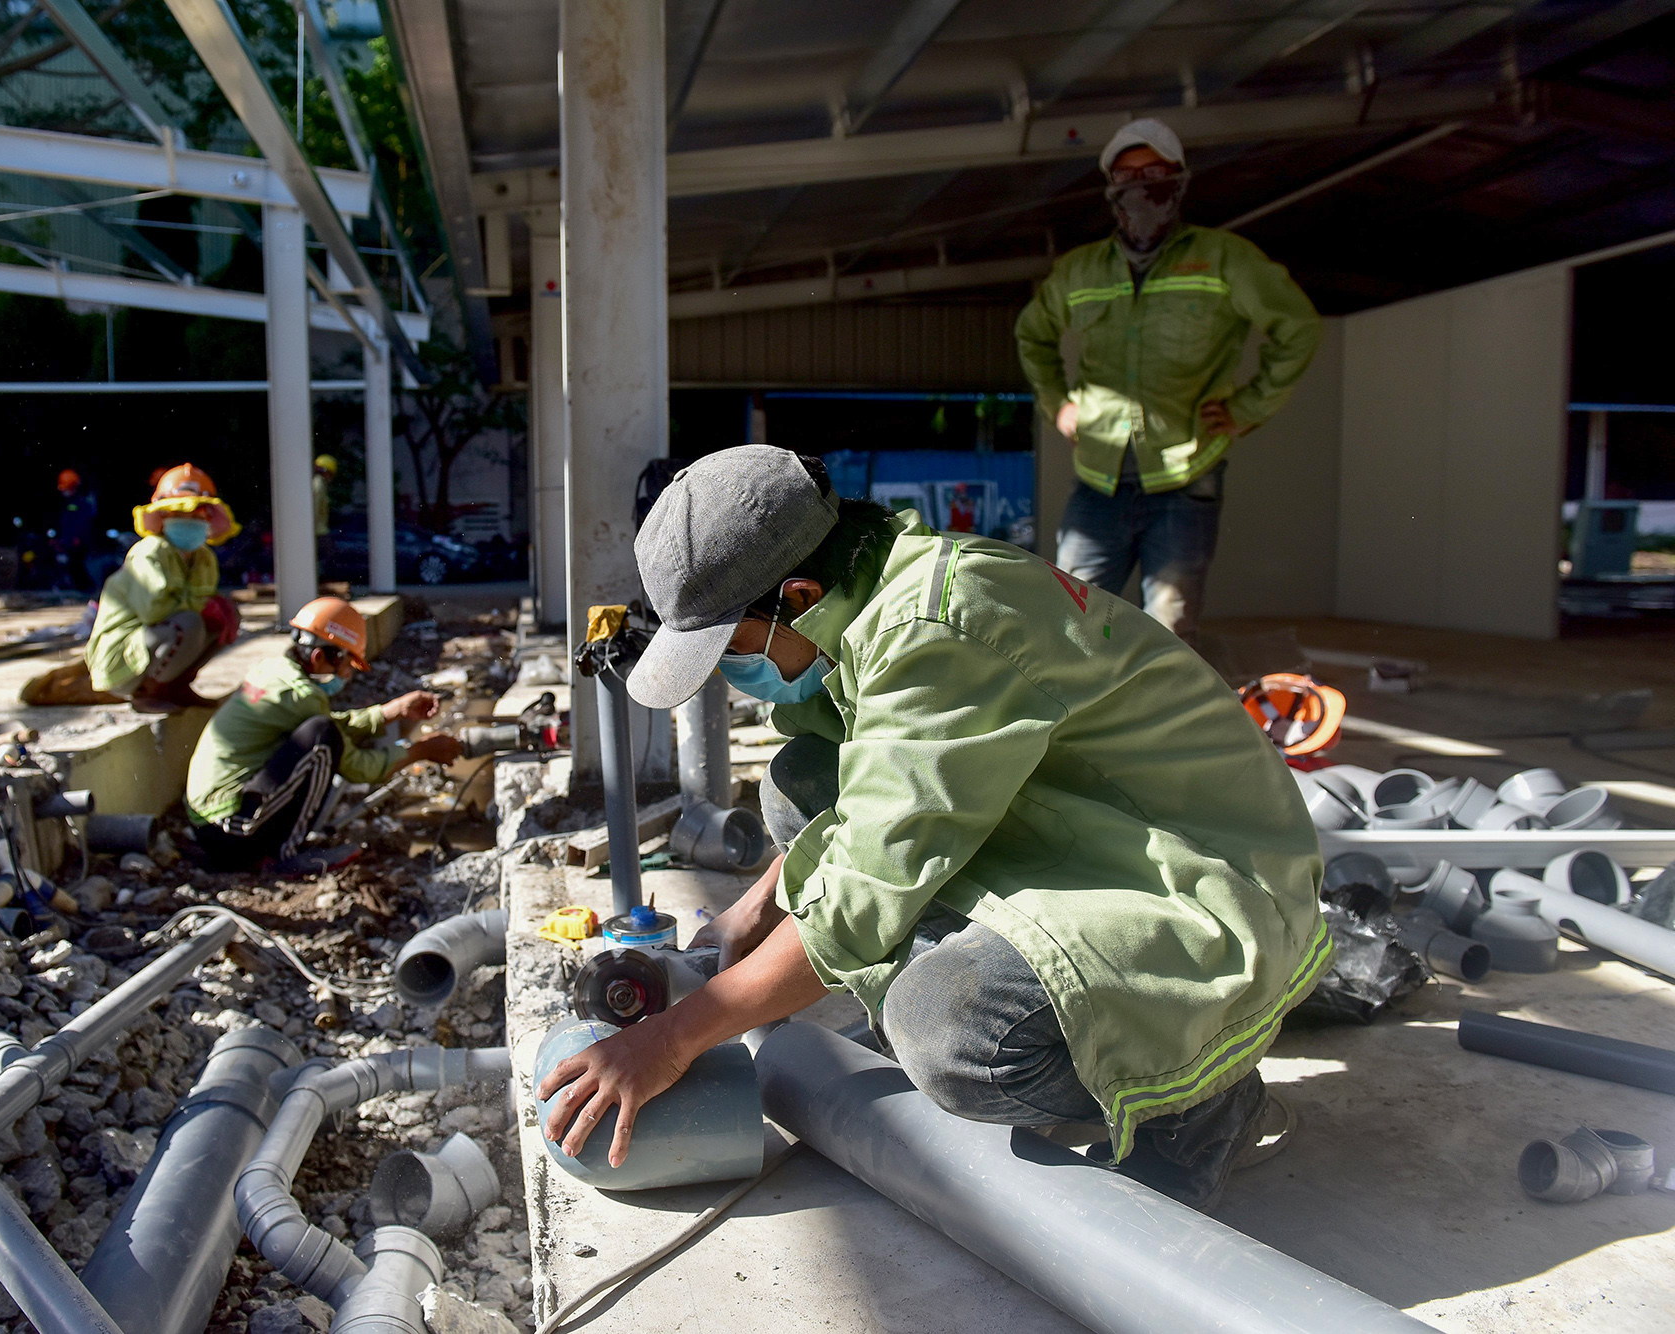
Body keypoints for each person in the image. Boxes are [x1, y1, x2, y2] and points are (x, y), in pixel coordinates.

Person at [536, 446, 1326, 1210]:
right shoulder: (874, 591)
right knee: (803, 780)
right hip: (1077, 827)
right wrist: (752, 914)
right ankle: (994, 993)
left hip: (1202, 881)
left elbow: (858, 898)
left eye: (737, 647)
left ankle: (1200, 1096)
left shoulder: (936, 630)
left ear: (800, 596)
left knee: (955, 1035)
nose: (735, 673)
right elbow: (861, 812)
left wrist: (671, 1041)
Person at [1015, 118, 1321, 643]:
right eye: (1126, 174)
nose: (1139, 184)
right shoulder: (1080, 271)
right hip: (1097, 481)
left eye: (1152, 171)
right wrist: (1056, 404)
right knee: (1071, 621)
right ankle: (1084, 724)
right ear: (1111, 191)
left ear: (1178, 180)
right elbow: (1032, 334)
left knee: (1169, 632)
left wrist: (1248, 408)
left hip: (1184, 478)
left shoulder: (1226, 259)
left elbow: (1297, 327)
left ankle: (1154, 725)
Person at [185, 596, 462, 872]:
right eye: (346, 665)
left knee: (324, 734)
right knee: (323, 743)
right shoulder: (302, 696)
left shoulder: (273, 671)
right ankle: (285, 855)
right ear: (319, 657)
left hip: (207, 823)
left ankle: (272, 843)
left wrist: (390, 712)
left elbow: (335, 726)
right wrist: (422, 750)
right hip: (230, 832)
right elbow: (359, 767)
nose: (347, 674)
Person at [85, 463, 241, 713]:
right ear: (164, 516)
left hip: (154, 644)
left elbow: (202, 601)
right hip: (121, 660)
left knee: (227, 617)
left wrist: (216, 609)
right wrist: (203, 607)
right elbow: (154, 611)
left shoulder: (204, 558)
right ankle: (148, 692)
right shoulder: (150, 553)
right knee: (189, 622)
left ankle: (176, 686)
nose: (189, 520)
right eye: (179, 513)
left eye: (196, 513)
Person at [53, 469, 101, 591]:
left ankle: (88, 589)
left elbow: (84, 523)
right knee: (70, 565)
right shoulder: (65, 503)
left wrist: (79, 538)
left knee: (77, 565)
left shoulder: (82, 503)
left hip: (79, 543)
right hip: (67, 541)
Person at [312, 454, 338, 538]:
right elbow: (315, 508)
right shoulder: (319, 485)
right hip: (319, 532)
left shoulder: (318, 483)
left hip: (318, 531)